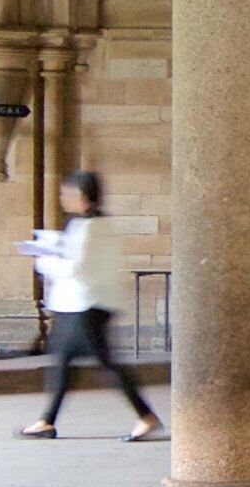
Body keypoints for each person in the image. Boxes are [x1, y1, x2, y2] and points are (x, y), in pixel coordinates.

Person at [16, 170, 158, 440]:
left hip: (86, 305)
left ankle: (146, 416)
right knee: (65, 361)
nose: (62, 198)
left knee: (104, 364)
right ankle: (47, 420)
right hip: (80, 304)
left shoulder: (92, 227)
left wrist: (43, 260)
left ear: (82, 196)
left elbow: (78, 266)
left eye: (66, 193)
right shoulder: (88, 225)